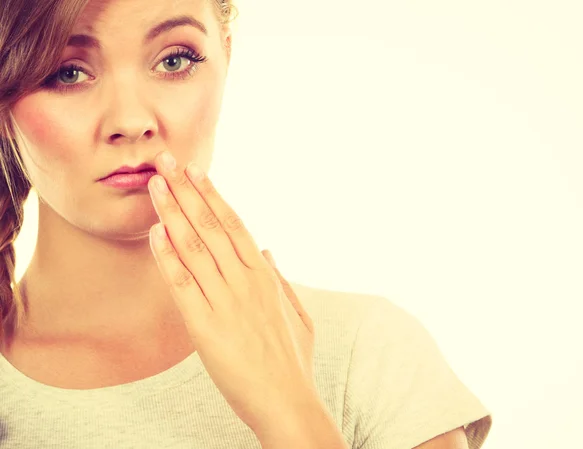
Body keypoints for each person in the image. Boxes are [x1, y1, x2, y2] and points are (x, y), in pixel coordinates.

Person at [0, 0, 493, 448]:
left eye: (174, 60)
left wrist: (289, 409)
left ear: (226, 57)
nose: (131, 120)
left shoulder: (366, 352)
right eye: (67, 72)